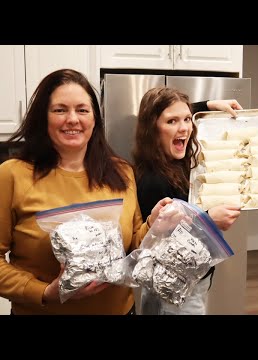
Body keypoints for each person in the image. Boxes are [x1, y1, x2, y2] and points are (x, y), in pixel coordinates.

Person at [0, 69, 169, 315]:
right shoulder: (12, 175)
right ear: (42, 118)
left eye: (82, 110)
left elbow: (133, 244)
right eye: (60, 110)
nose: (72, 119)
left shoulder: (121, 172)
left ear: (94, 119)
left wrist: (155, 224)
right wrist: (46, 292)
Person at [133, 87, 243, 314]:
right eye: (171, 121)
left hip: (189, 285)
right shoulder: (155, 180)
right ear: (152, 129)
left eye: (186, 119)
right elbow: (167, 250)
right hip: (174, 294)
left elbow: (182, 112)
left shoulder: (171, 162)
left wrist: (209, 105)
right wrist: (209, 220)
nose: (183, 127)